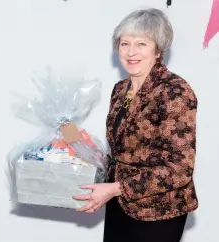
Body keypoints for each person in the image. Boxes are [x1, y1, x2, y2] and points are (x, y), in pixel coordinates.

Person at [73, 8, 198, 242]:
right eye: (124, 43)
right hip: (119, 205)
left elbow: (179, 169)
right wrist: (74, 143)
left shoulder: (175, 91)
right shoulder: (121, 89)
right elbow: (123, 153)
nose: (131, 52)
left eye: (141, 44)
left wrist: (115, 188)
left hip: (159, 212)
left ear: (158, 50)